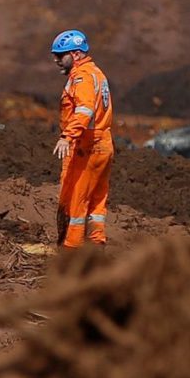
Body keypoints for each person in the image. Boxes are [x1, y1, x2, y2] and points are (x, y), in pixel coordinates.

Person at [51, 29, 114, 249]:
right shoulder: (96, 73)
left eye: (61, 55)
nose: (56, 60)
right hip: (103, 143)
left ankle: (71, 251)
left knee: (76, 201)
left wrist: (67, 136)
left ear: (76, 54)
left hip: (88, 146)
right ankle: (96, 247)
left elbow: (84, 110)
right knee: (97, 200)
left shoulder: (83, 77)